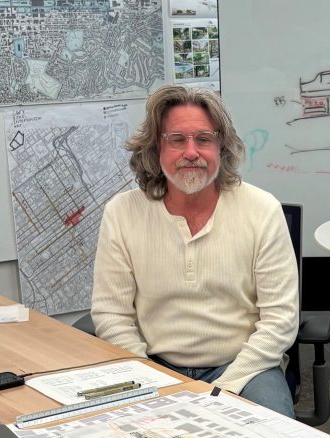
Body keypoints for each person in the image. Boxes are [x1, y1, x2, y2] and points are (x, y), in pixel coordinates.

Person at [92, 86, 299, 417]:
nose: (191, 152)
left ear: (221, 145)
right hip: (152, 366)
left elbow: (281, 320)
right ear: (156, 146)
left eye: (203, 139)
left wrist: (222, 390)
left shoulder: (262, 210)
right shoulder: (122, 212)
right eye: (177, 139)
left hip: (245, 369)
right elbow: (111, 314)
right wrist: (152, 381)